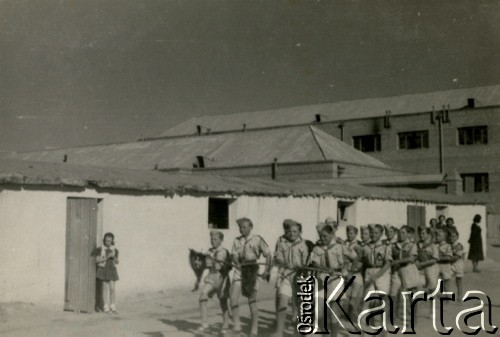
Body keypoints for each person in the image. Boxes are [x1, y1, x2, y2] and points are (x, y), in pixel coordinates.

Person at [308, 223, 355, 336]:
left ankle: (334, 335)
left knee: (335, 310)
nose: (322, 238)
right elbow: (314, 263)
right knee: (318, 310)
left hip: (336, 280)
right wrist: (325, 269)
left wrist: (350, 271)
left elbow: (355, 257)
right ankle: (324, 332)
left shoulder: (340, 246)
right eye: (320, 236)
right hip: (321, 279)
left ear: (331, 234)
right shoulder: (317, 248)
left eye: (325, 236)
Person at [230, 217, 272, 337]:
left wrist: (267, 271)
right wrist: (236, 263)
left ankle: (254, 330)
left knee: (251, 300)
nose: (241, 229)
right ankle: (237, 326)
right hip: (239, 270)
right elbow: (233, 255)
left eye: (244, 227)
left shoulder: (257, 239)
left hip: (252, 270)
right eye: (240, 227)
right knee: (233, 298)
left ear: (250, 227)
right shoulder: (236, 240)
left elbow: (268, 255)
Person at [272, 219, 309, 337]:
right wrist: (282, 261)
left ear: (300, 232)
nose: (292, 234)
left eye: (295, 231)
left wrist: (298, 266)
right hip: (285, 275)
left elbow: (306, 264)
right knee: (282, 302)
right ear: (286, 232)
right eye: (290, 231)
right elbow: (277, 256)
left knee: (298, 305)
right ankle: (279, 331)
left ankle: (298, 330)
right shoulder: (282, 242)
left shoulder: (303, 245)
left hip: (299, 277)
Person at [195, 230, 231, 335]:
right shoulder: (209, 251)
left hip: (221, 278)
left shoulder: (223, 251)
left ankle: (225, 326)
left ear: (221, 240)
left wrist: (210, 259)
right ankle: (204, 324)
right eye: (211, 239)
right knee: (202, 297)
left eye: (215, 239)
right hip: (211, 277)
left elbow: (218, 265)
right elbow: (207, 264)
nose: (212, 241)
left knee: (223, 302)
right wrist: (200, 262)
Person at [360, 224, 392, 327]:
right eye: (372, 233)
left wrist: (377, 275)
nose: (373, 235)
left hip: (382, 272)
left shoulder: (385, 246)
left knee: (382, 298)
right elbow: (362, 261)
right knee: (367, 297)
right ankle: (363, 323)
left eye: (376, 233)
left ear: (381, 234)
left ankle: (383, 324)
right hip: (369, 271)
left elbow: (388, 263)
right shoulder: (366, 247)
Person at [95, 232, 119, 314]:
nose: (108, 242)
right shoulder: (100, 249)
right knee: (105, 289)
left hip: (111, 269)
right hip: (103, 269)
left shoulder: (114, 250)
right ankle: (106, 306)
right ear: (104, 240)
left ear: (112, 241)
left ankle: (113, 306)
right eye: (106, 241)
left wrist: (114, 257)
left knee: (112, 288)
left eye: (109, 241)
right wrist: (107, 258)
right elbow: (97, 260)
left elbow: (117, 262)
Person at [343, 225, 364, 318]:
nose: (349, 235)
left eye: (351, 233)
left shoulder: (358, 245)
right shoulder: (344, 243)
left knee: (355, 293)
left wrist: (350, 260)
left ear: (356, 234)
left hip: (355, 270)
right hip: (345, 270)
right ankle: (347, 312)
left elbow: (359, 258)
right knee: (347, 292)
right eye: (348, 233)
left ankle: (352, 312)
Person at [416, 227, 439, 293]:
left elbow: (434, 260)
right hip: (420, 269)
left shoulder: (432, 245)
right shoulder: (418, 244)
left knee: (431, 287)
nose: (421, 235)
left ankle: (432, 302)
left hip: (431, 268)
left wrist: (421, 264)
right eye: (420, 234)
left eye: (423, 233)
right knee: (418, 284)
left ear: (429, 234)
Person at [450, 229, 465, 299]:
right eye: (451, 236)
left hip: (458, 264)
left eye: (453, 236)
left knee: (458, 281)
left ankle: (459, 296)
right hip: (451, 264)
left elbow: (456, 257)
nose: (452, 238)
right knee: (445, 277)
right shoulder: (449, 245)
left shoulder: (459, 246)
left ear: (457, 237)